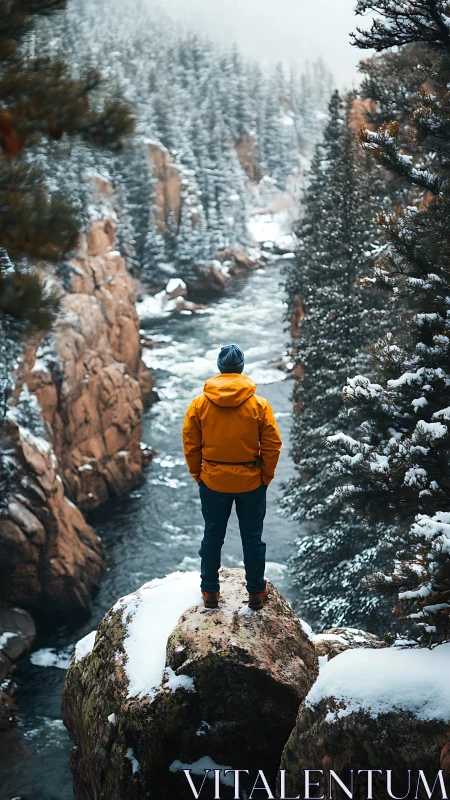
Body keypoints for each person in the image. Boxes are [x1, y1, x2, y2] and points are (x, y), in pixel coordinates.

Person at [182, 343, 282, 611]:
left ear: (219, 368)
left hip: (213, 480)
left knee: (212, 536)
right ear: (241, 368)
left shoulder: (199, 404)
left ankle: (210, 592)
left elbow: (191, 445)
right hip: (251, 480)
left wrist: (198, 474)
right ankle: (256, 592)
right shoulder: (259, 405)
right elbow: (272, 445)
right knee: (252, 537)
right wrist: (265, 477)